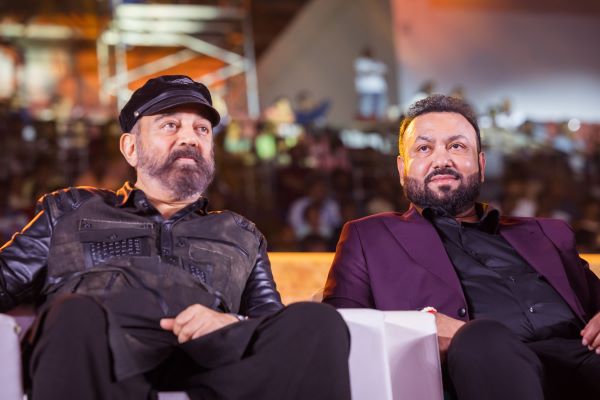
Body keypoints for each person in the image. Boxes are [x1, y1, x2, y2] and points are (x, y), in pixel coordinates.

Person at [0, 75, 351, 400]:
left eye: (201, 129)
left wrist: (233, 322)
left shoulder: (240, 233)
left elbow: (269, 323)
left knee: (317, 323)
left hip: (212, 365)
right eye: (170, 125)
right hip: (102, 362)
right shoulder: (69, 211)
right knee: (73, 313)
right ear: (131, 148)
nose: (189, 138)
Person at [323, 94, 600, 400]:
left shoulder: (547, 234)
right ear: (402, 170)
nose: (442, 160)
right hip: (481, 366)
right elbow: (341, 331)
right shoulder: (369, 237)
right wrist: (421, 328)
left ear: (480, 164)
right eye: (424, 148)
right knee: (480, 338)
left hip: (584, 356)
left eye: (456, 146)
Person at [354, 47, 388, 120]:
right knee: (367, 109)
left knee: (380, 110)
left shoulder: (376, 62)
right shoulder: (361, 62)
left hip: (378, 89)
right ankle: (367, 121)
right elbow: (365, 70)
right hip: (367, 90)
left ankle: (379, 120)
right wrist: (376, 69)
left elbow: (384, 69)